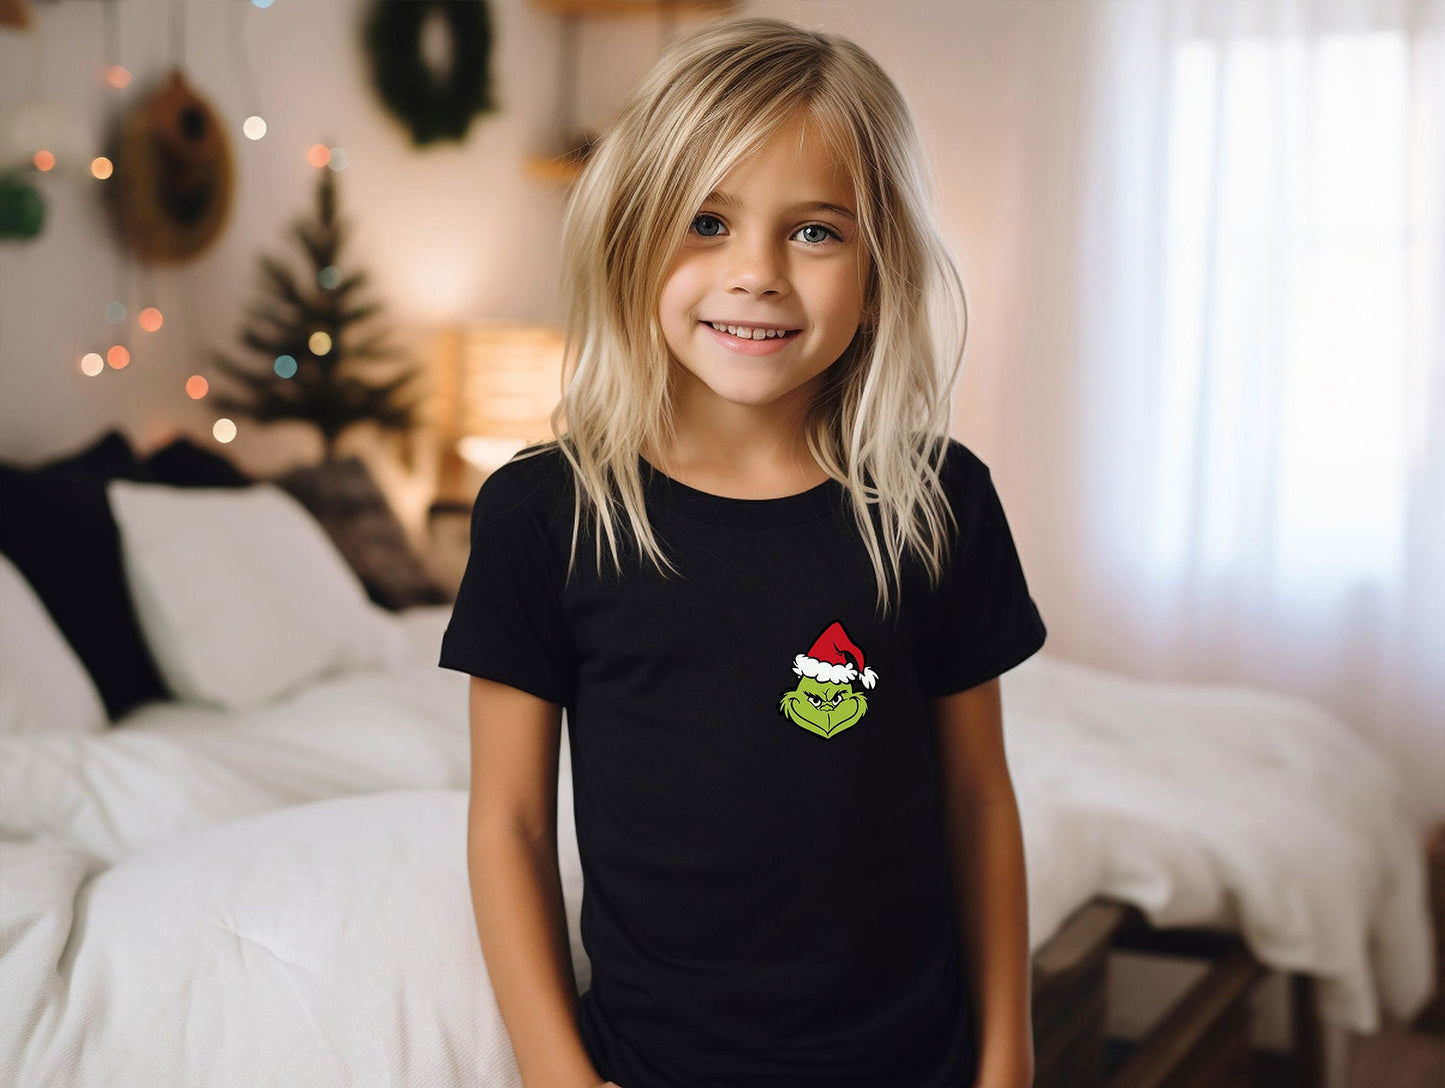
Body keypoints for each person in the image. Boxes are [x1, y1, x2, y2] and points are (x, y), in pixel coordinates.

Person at [439, 16, 1046, 1088]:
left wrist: (1007, 1059)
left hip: (918, 1060)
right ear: (632, 238)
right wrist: (556, 1074)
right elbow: (511, 821)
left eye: (815, 231)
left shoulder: (938, 501)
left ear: (880, 260)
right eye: (706, 221)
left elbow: (977, 800)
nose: (756, 273)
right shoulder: (541, 514)